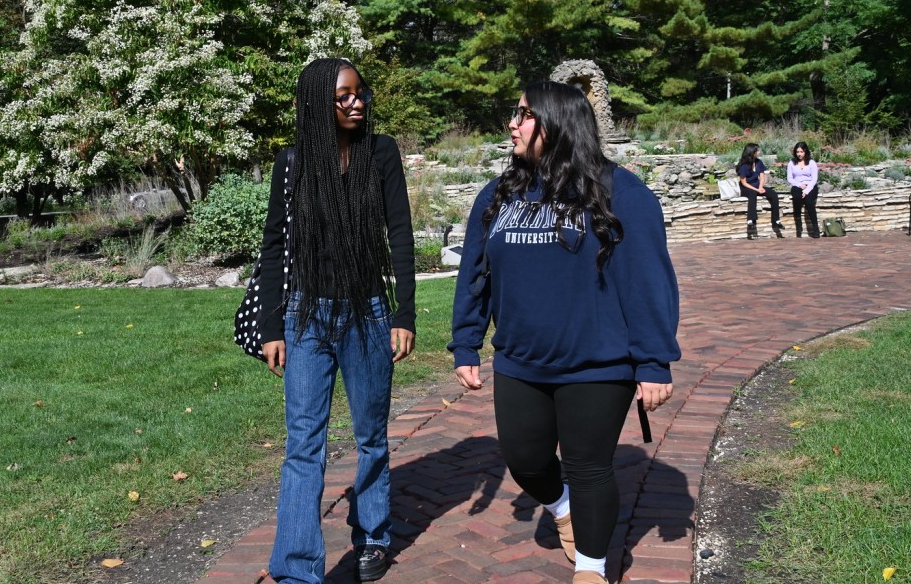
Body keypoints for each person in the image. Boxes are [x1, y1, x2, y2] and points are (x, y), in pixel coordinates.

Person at [449, 81, 681, 584]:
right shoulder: (498, 194)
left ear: (556, 123)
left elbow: (646, 279)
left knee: (589, 465)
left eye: (524, 114)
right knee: (525, 461)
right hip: (520, 360)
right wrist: (465, 342)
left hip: (599, 363)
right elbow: (475, 273)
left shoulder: (620, 191)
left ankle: (593, 569)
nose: (512, 123)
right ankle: (562, 505)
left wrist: (653, 360)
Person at [255, 58, 417, 584]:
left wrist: (404, 313)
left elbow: (400, 235)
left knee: (371, 433)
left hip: (367, 312)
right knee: (304, 443)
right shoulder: (294, 162)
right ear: (317, 102)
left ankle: (372, 535)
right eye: (342, 95)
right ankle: (297, 569)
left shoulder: (381, 153)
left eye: (360, 93)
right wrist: (273, 326)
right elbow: (276, 246)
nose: (355, 102)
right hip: (305, 315)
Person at [736, 142, 783, 239]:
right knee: (752, 194)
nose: (759, 152)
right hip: (746, 188)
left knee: (773, 194)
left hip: (758, 186)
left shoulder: (758, 162)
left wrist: (761, 187)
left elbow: (762, 177)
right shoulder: (744, 165)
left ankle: (776, 220)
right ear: (751, 152)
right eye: (757, 150)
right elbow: (744, 183)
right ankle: (750, 220)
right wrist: (756, 189)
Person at [787, 141, 820, 238]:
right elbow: (790, 178)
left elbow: (814, 179)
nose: (799, 154)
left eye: (801, 152)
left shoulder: (811, 163)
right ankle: (798, 224)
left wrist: (806, 190)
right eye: (797, 152)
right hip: (797, 185)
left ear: (805, 151)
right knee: (797, 198)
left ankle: (815, 228)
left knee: (809, 202)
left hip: (810, 186)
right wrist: (799, 185)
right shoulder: (792, 163)